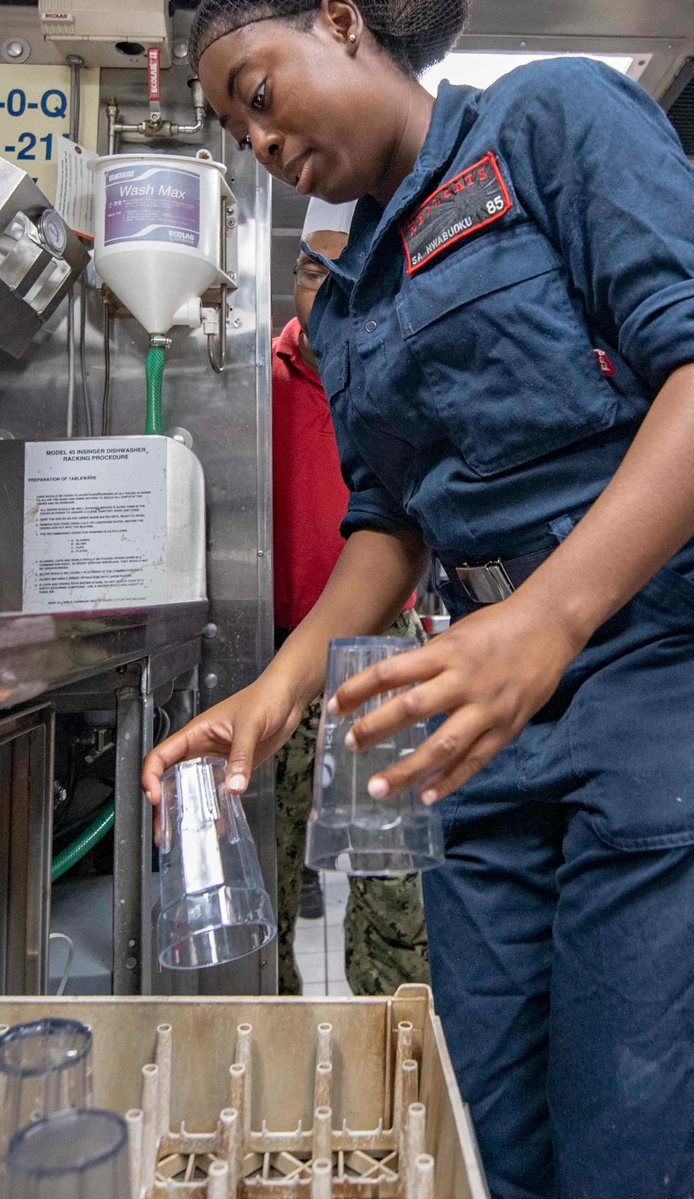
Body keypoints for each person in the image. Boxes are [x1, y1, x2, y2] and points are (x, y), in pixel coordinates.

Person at [143, 0, 694, 1199]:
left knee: (659, 1117)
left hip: (662, 658)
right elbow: (390, 523)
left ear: (342, 22)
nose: (265, 144)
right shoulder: (344, 296)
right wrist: (273, 696)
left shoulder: (549, 118)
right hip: (482, 709)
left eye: (261, 96)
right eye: (241, 135)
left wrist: (545, 623)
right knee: (487, 1108)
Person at [272, 205, 430, 996]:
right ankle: (262, 1023)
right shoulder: (254, 383)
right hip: (271, 651)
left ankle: (397, 1032)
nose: (326, 293)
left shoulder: (395, 378)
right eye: (310, 273)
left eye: (347, 275)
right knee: (266, 864)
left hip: (383, 640)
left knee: (394, 866)